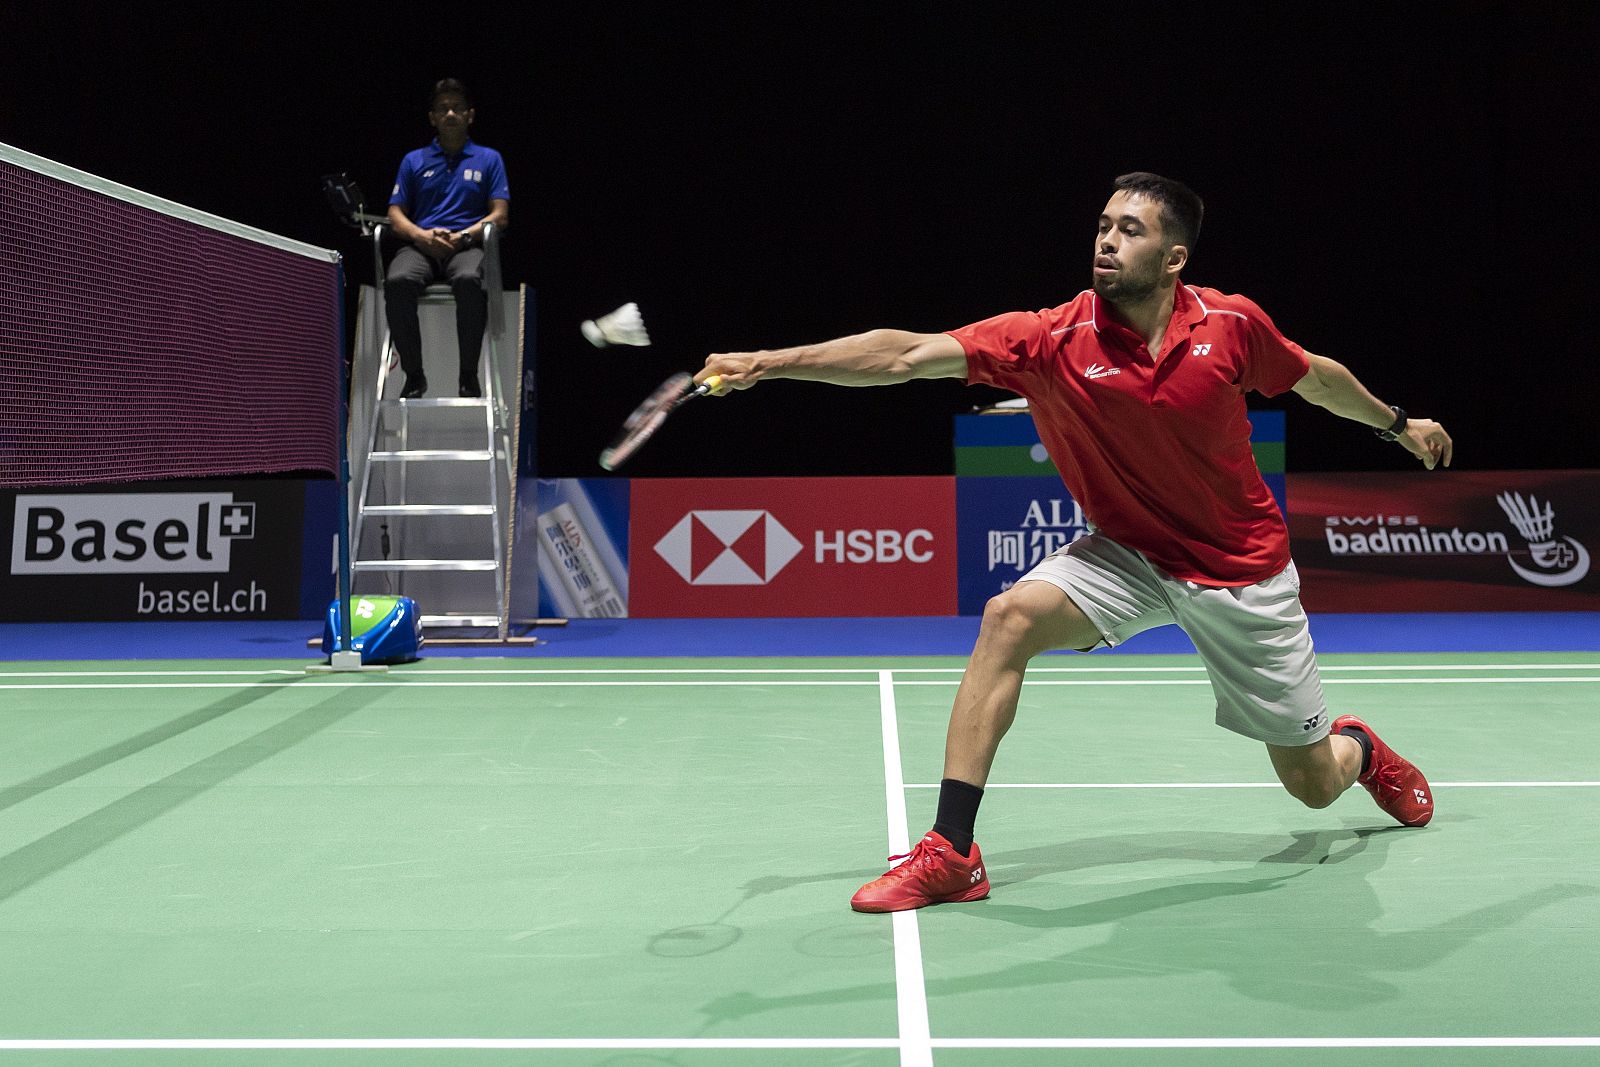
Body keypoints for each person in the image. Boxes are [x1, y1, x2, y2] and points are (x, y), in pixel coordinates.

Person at [695, 172, 1454, 914]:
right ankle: (952, 852)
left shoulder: (1230, 327)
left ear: (1174, 258)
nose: (1107, 240)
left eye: (1131, 230)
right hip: (1127, 554)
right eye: (1102, 225)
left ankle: (1358, 745)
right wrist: (770, 363)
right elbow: (903, 355)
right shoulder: (1048, 339)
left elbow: (1313, 377)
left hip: (1240, 572)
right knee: (1009, 618)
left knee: (1313, 783)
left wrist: (1397, 422)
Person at [385, 78, 510, 399]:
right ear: (432, 118)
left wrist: (463, 236)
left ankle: (468, 373)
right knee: (397, 280)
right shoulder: (413, 160)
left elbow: (500, 215)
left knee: (469, 278)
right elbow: (395, 214)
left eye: (457, 108)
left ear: (470, 115)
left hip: (466, 246)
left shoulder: (489, 159)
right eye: (443, 109)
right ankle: (414, 375)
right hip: (422, 245)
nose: (450, 113)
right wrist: (422, 236)